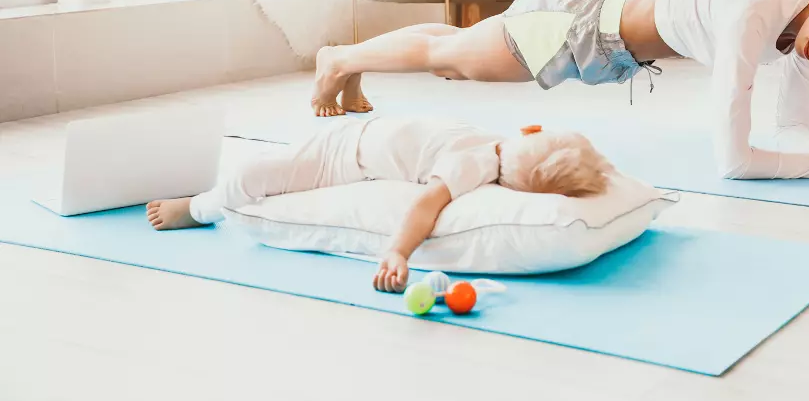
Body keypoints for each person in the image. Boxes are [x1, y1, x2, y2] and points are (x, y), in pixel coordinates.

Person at [310, 0, 809, 179]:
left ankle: (351, 61)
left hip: (614, 17)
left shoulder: (806, 14)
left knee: (459, 49)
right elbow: (735, 161)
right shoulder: (753, 16)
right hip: (583, 29)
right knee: (454, 63)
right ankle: (340, 59)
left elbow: (790, 127)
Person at [146, 119, 608, 292]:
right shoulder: (497, 143)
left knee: (249, 177)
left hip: (342, 160)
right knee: (260, 168)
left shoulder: (477, 164)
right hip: (351, 137)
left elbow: (427, 204)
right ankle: (205, 201)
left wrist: (398, 251)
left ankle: (199, 208)